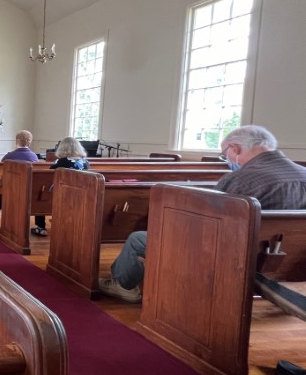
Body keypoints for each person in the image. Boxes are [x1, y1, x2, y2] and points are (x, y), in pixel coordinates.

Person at [100, 125, 306, 303]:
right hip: (286, 256)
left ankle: (123, 286)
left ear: (235, 148)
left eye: (225, 153)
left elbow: (208, 218)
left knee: (138, 239)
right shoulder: (302, 173)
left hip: (230, 253)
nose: (227, 159)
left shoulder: (242, 179)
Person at [28, 137, 91, 237]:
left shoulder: (60, 162)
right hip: (81, 196)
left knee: (40, 195)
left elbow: (48, 178)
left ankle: (41, 228)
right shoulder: (85, 162)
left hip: (63, 196)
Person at [0, 130, 39, 214]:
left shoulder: (9, 156)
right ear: (30, 142)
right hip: (28, 186)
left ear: (16, 141)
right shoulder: (33, 156)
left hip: (10, 186)